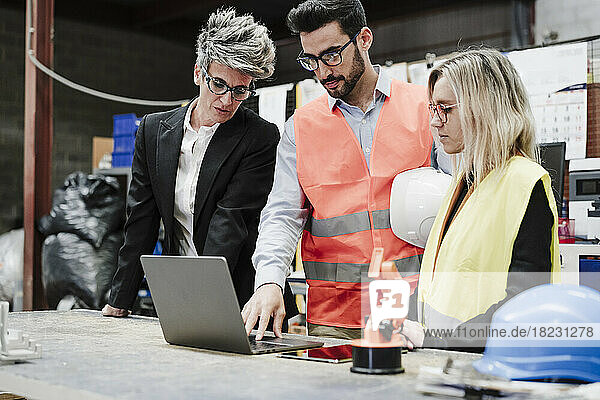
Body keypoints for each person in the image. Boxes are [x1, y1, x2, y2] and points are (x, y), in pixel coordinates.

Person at [242, 0, 449, 340]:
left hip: (417, 310)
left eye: (332, 55)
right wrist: (269, 281)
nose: (322, 71)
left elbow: (460, 201)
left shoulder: (423, 108)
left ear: (364, 39)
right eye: (311, 60)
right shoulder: (300, 128)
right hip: (335, 319)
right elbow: (282, 214)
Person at [103, 8, 288, 317]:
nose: (227, 100)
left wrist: (200, 301)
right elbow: (142, 220)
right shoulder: (153, 132)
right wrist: (120, 300)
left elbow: (229, 221)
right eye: (218, 84)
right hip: (182, 292)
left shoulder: (258, 137)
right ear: (198, 74)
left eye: (240, 89)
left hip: (241, 296)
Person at [400, 48, 561, 350]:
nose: (435, 123)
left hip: (490, 367)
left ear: (484, 108)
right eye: (433, 109)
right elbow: (440, 281)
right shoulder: (465, 182)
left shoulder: (525, 183)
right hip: (446, 363)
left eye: (445, 109)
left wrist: (437, 341)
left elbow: (523, 303)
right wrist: (403, 322)